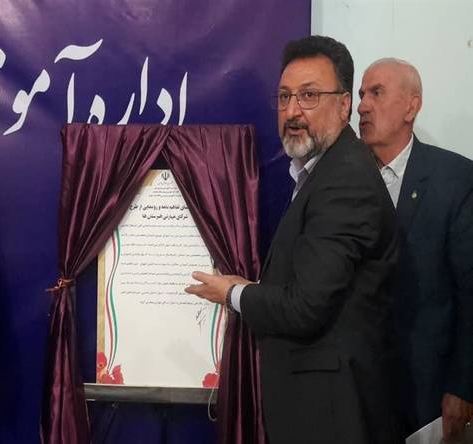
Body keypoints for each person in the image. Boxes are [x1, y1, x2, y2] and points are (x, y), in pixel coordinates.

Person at [185, 36, 399, 444]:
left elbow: (305, 308)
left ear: (344, 105)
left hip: (332, 415)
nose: (293, 111)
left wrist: (233, 293)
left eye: (309, 96)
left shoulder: (344, 180)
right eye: (284, 97)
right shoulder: (320, 173)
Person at [358, 58, 473, 441]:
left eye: (376, 93)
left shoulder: (454, 180)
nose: (362, 106)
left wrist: (463, 386)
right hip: (355, 392)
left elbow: (469, 293)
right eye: (361, 94)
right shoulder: (341, 180)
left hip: (427, 394)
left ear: (412, 106)